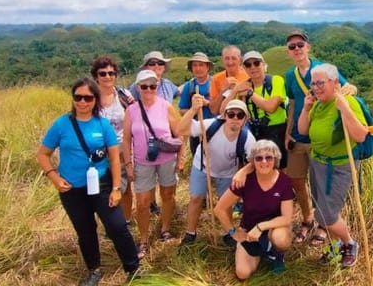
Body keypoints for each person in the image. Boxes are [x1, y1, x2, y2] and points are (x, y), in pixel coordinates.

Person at [36, 78, 140, 285]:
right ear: (73, 98)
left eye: (88, 98)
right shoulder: (61, 124)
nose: (82, 102)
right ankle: (94, 270)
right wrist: (54, 178)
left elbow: (113, 158)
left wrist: (117, 188)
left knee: (117, 226)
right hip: (72, 189)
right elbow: (43, 154)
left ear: (95, 100)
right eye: (78, 97)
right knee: (85, 230)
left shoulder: (102, 125)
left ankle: (133, 269)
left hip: (102, 185)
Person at [283, 30, 356, 245]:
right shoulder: (290, 75)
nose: (296, 49)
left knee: (321, 184)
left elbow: (346, 87)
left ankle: (324, 224)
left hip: (320, 138)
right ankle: (308, 218)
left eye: (300, 44)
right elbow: (293, 103)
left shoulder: (321, 70)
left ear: (308, 47)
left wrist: (349, 94)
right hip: (298, 135)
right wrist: (288, 130)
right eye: (292, 46)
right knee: (298, 180)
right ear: (288, 52)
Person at [296, 63, 367, 268]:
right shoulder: (318, 104)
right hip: (317, 162)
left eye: (320, 83)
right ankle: (335, 244)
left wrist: (344, 107)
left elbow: (360, 135)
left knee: (327, 215)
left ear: (334, 83)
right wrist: (306, 107)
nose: (316, 88)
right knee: (321, 208)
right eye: (313, 84)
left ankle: (349, 243)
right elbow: (303, 130)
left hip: (338, 167)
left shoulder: (348, 102)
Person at [177, 97, 256, 244]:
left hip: (227, 172)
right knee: (196, 199)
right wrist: (193, 109)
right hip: (202, 167)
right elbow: (180, 130)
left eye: (240, 115)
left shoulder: (247, 137)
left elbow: (255, 161)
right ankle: (190, 233)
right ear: (225, 116)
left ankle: (228, 233)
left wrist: (243, 171)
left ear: (245, 119)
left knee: (226, 203)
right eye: (231, 114)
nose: (235, 118)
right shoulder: (210, 125)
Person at [122, 70, 183, 259]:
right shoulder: (131, 110)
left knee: (167, 194)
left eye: (152, 86)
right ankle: (143, 239)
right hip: (142, 162)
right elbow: (126, 139)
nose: (149, 89)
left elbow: (179, 133)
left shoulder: (166, 106)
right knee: (142, 202)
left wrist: (181, 159)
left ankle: (165, 229)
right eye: (144, 86)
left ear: (157, 87)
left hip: (166, 159)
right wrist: (128, 164)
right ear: (138, 88)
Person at [217, 140, 293, 280]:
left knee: (280, 238)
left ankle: (277, 255)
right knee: (242, 273)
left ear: (275, 159)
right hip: (248, 232)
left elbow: (287, 218)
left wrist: (260, 227)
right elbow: (220, 209)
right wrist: (233, 232)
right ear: (252, 162)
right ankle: (263, 252)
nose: (264, 162)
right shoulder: (244, 181)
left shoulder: (284, 181)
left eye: (269, 157)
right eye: (259, 158)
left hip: (274, 228)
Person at [128, 50, 177, 215]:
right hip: (144, 143)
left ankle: (166, 219)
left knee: (168, 190)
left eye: (160, 63)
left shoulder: (168, 85)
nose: (157, 66)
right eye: (152, 63)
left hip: (166, 143)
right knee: (145, 193)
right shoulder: (135, 91)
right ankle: (152, 205)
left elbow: (179, 92)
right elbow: (129, 107)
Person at [223, 50, 289, 169]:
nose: (253, 67)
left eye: (256, 63)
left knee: (278, 168)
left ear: (264, 64)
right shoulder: (243, 85)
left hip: (276, 132)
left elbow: (271, 107)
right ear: (244, 68)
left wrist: (249, 93)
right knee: (255, 167)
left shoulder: (276, 81)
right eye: (248, 65)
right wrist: (235, 90)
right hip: (254, 132)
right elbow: (223, 111)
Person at [91, 56, 136, 224]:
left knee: (124, 187)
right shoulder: (91, 98)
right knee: (102, 187)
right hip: (99, 149)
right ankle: (109, 221)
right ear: (96, 76)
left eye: (111, 73)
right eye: (103, 73)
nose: (108, 77)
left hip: (122, 146)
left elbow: (135, 116)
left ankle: (126, 220)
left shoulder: (124, 95)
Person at [178, 52, 215, 156]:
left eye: (201, 65)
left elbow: (222, 107)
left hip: (215, 128)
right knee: (198, 159)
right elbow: (182, 110)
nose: (198, 68)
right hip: (196, 131)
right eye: (195, 65)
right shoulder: (188, 86)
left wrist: (207, 103)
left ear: (207, 67)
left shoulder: (216, 83)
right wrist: (194, 109)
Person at [208, 45, 250, 115]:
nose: (230, 62)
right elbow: (213, 111)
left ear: (240, 59)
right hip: (223, 118)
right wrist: (223, 90)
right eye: (227, 58)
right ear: (222, 60)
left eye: (234, 58)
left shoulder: (248, 77)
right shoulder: (216, 78)